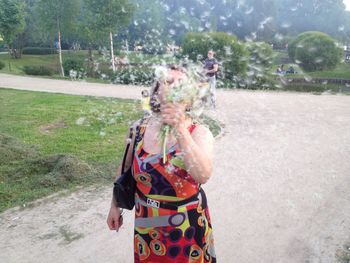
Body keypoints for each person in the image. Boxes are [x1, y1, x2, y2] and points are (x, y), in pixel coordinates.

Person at [107, 67, 216, 262]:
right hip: (146, 224)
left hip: (186, 227)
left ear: (189, 99)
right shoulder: (137, 129)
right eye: (167, 81)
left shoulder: (199, 133)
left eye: (181, 84)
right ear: (156, 92)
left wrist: (179, 128)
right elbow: (124, 169)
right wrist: (115, 206)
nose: (173, 87)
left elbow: (203, 175)